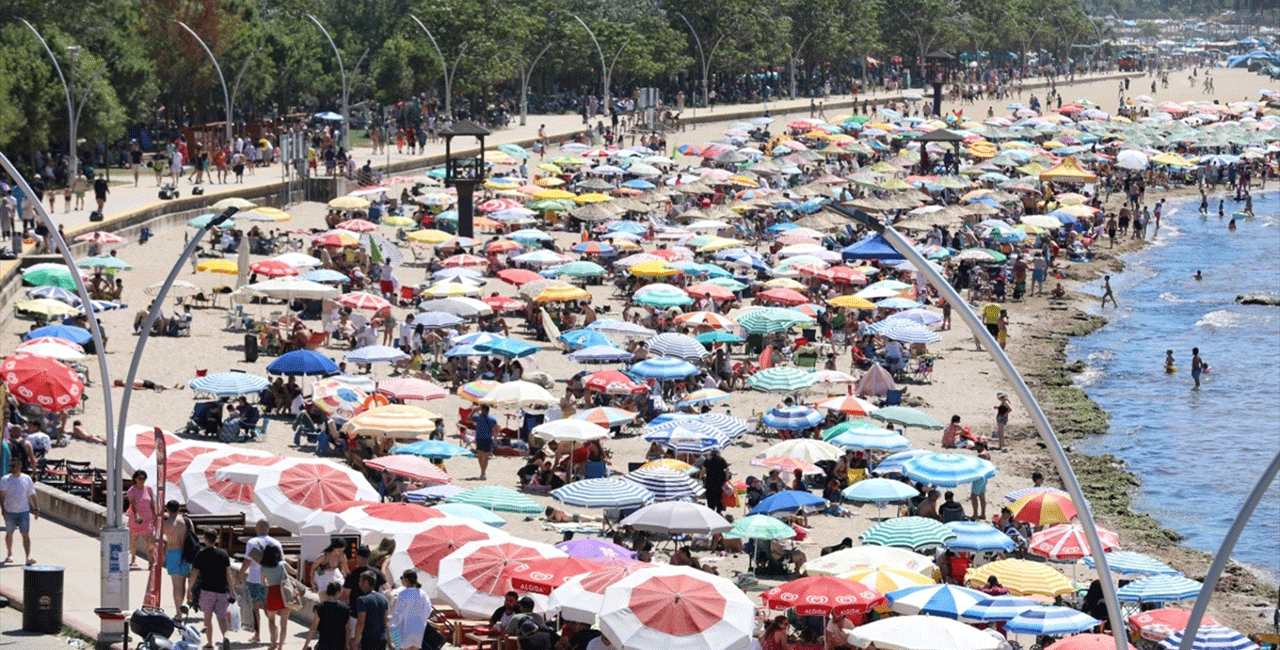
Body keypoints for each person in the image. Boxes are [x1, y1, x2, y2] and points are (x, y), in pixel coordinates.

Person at [189, 528, 233, 649]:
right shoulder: (224, 554)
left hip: (207, 590)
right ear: (216, 539)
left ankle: (209, 643)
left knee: (207, 618)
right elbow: (228, 574)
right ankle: (225, 636)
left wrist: (189, 589)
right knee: (222, 618)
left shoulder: (201, 554)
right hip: (222, 591)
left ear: (205, 539)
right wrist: (232, 591)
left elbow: (194, 573)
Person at [241, 519, 284, 644]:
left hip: (254, 579)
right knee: (267, 607)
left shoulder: (252, 542)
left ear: (258, 528)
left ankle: (257, 634)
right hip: (270, 580)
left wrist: (240, 575)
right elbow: (281, 561)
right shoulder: (276, 543)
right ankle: (273, 628)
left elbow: (247, 561)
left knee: (255, 607)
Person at [0, 456, 38, 565]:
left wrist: (36, 509)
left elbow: (32, 494)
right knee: (9, 533)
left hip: (24, 511)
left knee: (25, 534)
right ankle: (9, 554)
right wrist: (2, 508)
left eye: (14, 466)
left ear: (20, 466)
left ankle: (28, 557)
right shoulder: (5, 479)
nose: (11, 468)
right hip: (10, 511)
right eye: (10, 466)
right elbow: (2, 495)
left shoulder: (27, 479)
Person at [260, 543, 298, 650]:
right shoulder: (283, 564)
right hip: (285, 594)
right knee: (284, 624)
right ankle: (280, 647)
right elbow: (295, 572)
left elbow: (262, 583)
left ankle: (273, 642)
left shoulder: (263, 567)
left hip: (272, 593)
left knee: (271, 620)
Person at [161, 500, 194, 618]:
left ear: (168, 510)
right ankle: (181, 609)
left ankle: (178, 613)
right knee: (183, 583)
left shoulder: (166, 524)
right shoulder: (187, 521)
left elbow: (159, 537)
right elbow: (192, 536)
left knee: (176, 586)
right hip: (186, 553)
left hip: (173, 553)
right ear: (179, 508)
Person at [389, 569, 430, 650]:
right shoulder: (423, 594)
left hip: (405, 630)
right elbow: (428, 611)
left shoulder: (403, 594)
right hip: (418, 629)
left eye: (402, 578)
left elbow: (398, 614)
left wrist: (389, 621)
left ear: (406, 580)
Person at [301, 582, 349, 650]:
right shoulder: (345, 608)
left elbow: (313, 627)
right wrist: (347, 645)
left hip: (324, 643)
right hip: (339, 644)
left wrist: (305, 645)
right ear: (338, 593)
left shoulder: (320, 607)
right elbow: (347, 628)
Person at [126, 469, 155, 570]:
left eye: (144, 478)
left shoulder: (149, 489)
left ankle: (151, 561)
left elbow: (152, 504)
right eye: (140, 478)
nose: (142, 480)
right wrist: (136, 516)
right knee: (134, 539)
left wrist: (155, 517)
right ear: (135, 479)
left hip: (148, 517)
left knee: (150, 540)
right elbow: (133, 504)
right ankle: (133, 558)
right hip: (136, 518)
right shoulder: (131, 490)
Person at [352, 572, 389, 650]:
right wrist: (389, 641)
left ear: (366, 583)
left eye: (360, 581)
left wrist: (355, 642)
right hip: (382, 639)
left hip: (369, 640)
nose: (359, 584)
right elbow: (386, 621)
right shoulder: (383, 598)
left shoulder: (362, 600)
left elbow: (360, 623)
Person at [472, 404, 496, 480]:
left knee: (482, 457)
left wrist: (474, 411)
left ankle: (483, 473)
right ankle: (483, 472)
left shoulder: (479, 417)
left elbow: (468, 419)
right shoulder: (492, 419)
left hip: (483, 439)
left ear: (483, 410)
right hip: (486, 439)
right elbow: (496, 428)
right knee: (481, 457)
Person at [702, 448, 729, 513]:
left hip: (710, 482)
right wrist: (726, 477)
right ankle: (718, 512)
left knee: (710, 498)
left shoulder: (708, 460)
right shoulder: (721, 459)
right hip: (719, 482)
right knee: (719, 498)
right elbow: (727, 469)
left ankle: (711, 512)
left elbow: (703, 470)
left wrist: (701, 477)